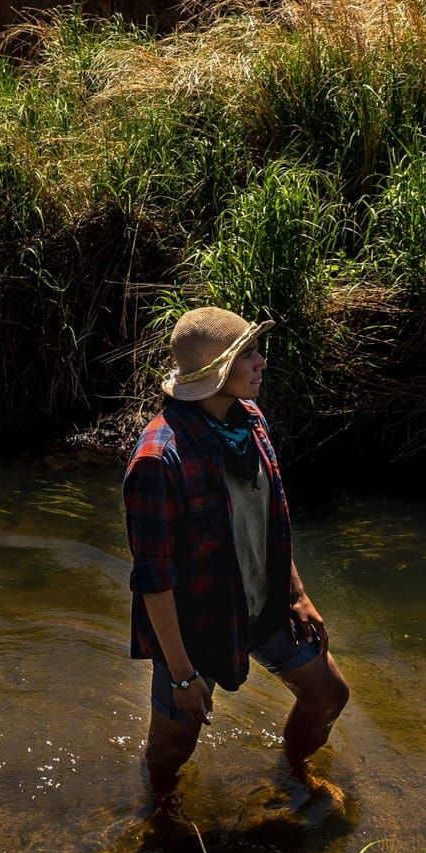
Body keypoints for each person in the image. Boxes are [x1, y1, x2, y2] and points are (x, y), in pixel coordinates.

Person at [123, 306, 350, 794]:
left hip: (266, 606)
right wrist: (183, 677)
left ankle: (294, 776)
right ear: (216, 371)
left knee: (329, 694)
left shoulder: (249, 419)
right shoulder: (158, 460)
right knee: (170, 753)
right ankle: (157, 813)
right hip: (196, 629)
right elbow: (154, 582)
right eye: (247, 353)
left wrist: (297, 592)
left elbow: (270, 519)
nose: (261, 361)